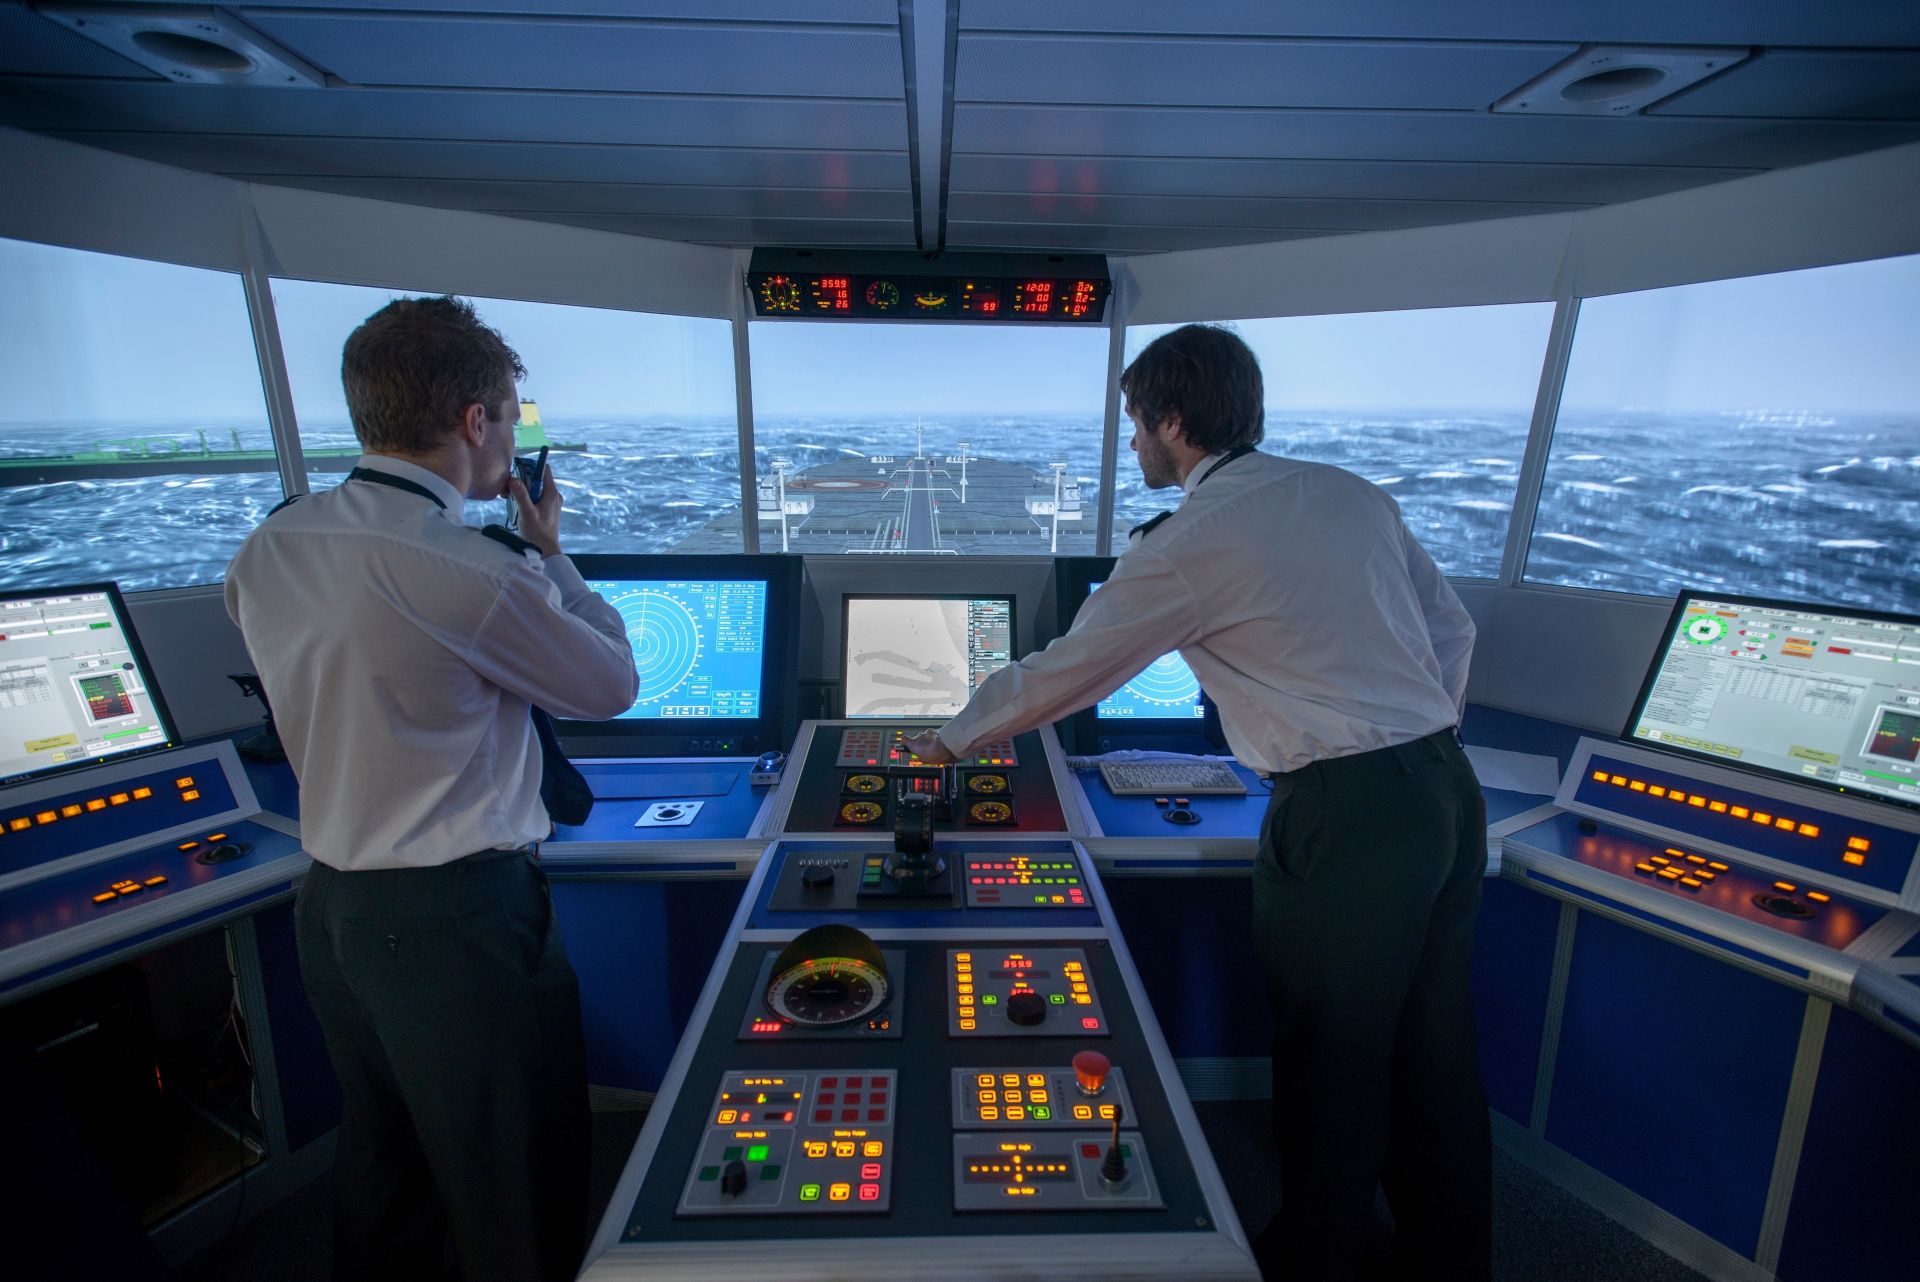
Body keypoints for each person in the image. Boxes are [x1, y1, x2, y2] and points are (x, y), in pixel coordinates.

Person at [905, 323, 1489, 1281]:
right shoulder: (1350, 494)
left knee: (1331, 1055)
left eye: (1137, 425)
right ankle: (1450, 1263)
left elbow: (1071, 670)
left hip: (1344, 813)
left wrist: (949, 739)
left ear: (1174, 421)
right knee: (1434, 1052)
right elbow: (1450, 630)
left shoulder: (1190, 542)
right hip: (1444, 790)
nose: (1133, 444)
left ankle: (1317, 1258)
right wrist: (1417, 743)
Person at [225, 296, 638, 1282]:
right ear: (473, 422)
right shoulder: (470, 568)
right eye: (509, 413)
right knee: (516, 1183)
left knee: (387, 1164)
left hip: (333, 909)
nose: (511, 435)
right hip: (457, 918)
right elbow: (612, 682)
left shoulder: (272, 546)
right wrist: (551, 552)